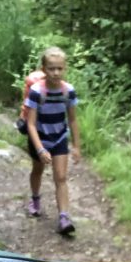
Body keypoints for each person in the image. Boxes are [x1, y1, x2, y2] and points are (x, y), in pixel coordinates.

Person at [24, 47, 81, 235]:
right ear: (44, 69)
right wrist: (40, 149)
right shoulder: (36, 91)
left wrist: (76, 146)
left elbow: (72, 119)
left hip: (59, 138)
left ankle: (64, 217)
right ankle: (35, 198)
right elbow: (30, 124)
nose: (55, 73)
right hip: (39, 137)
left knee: (61, 177)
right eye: (51, 68)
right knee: (38, 170)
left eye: (59, 68)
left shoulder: (68, 91)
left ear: (65, 69)